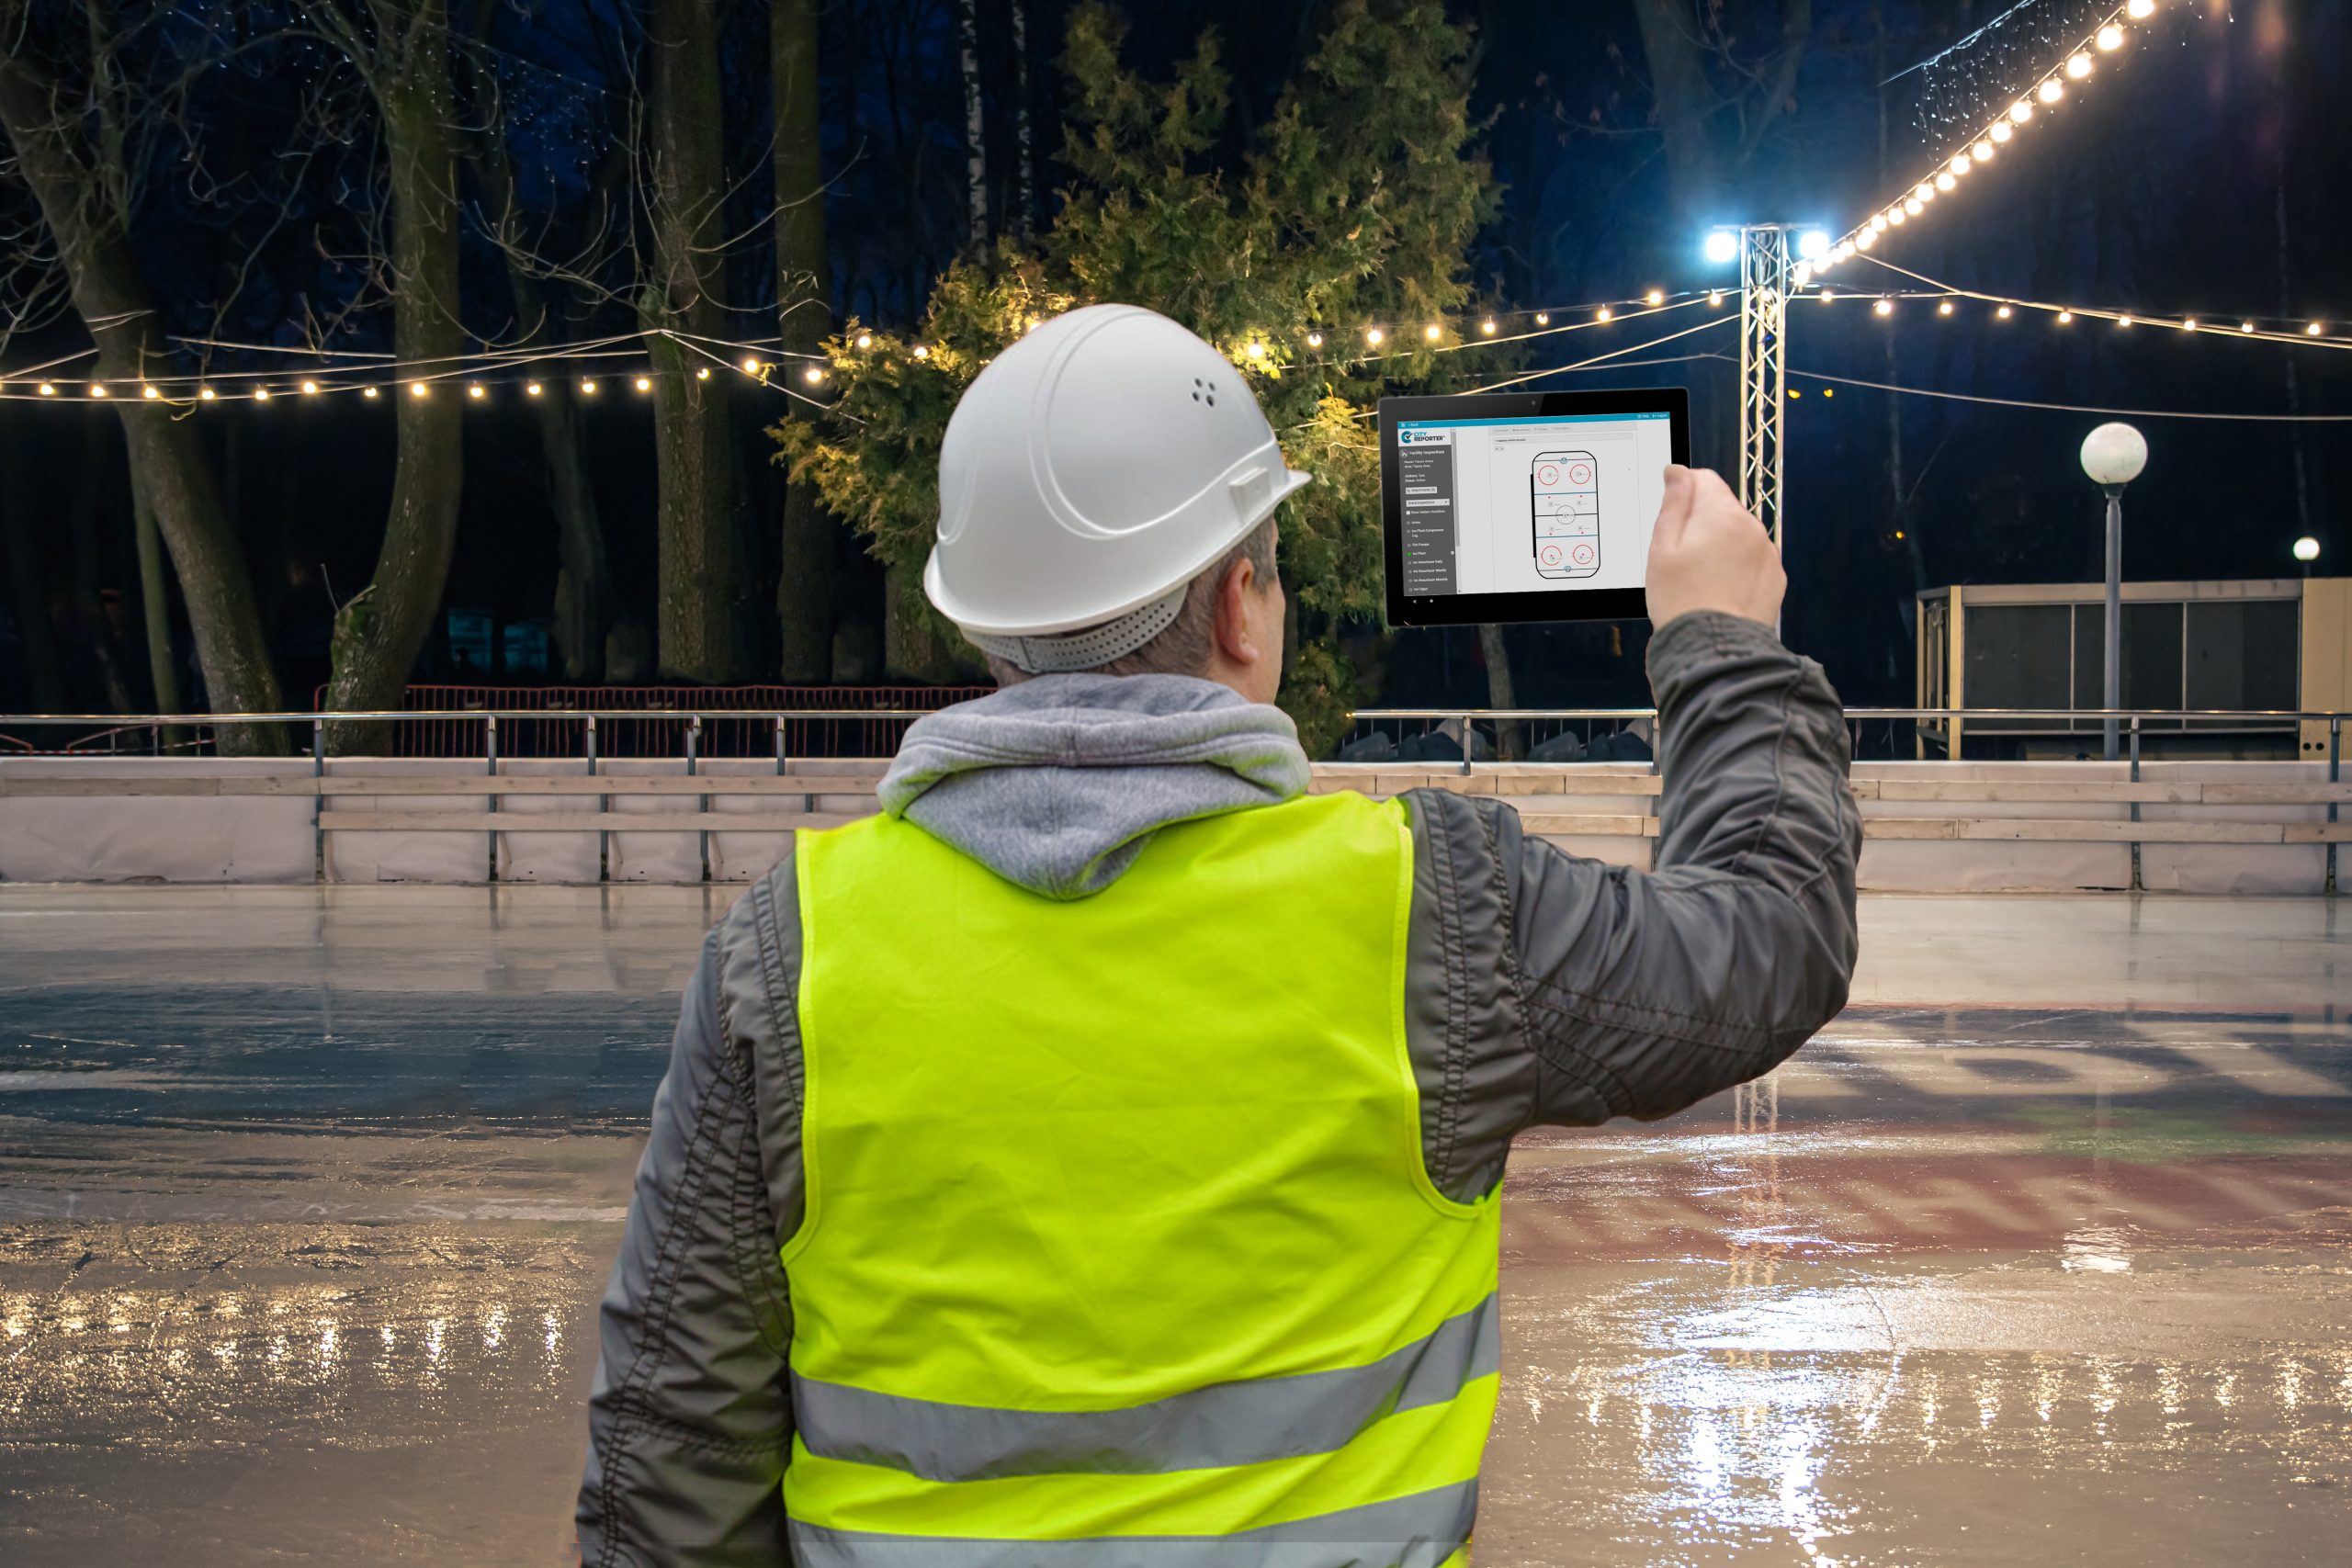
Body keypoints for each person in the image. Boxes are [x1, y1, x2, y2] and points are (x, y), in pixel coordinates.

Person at [577, 305, 1860, 1567]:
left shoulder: (792, 950)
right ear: (1243, 607)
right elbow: (1768, 935)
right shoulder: (1439, 911)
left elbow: (672, 1457)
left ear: (986, 623)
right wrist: (1725, 647)